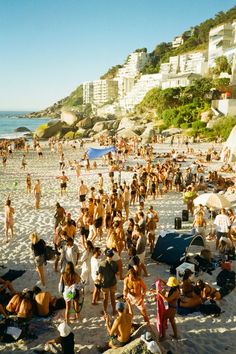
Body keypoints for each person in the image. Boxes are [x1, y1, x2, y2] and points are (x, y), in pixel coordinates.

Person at [98, 249, 118, 316]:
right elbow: (117, 273)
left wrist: (99, 282)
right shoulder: (115, 263)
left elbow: (100, 275)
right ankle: (114, 311)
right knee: (113, 297)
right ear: (112, 255)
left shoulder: (102, 263)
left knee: (105, 299)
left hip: (105, 283)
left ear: (106, 255)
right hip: (113, 282)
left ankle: (104, 311)